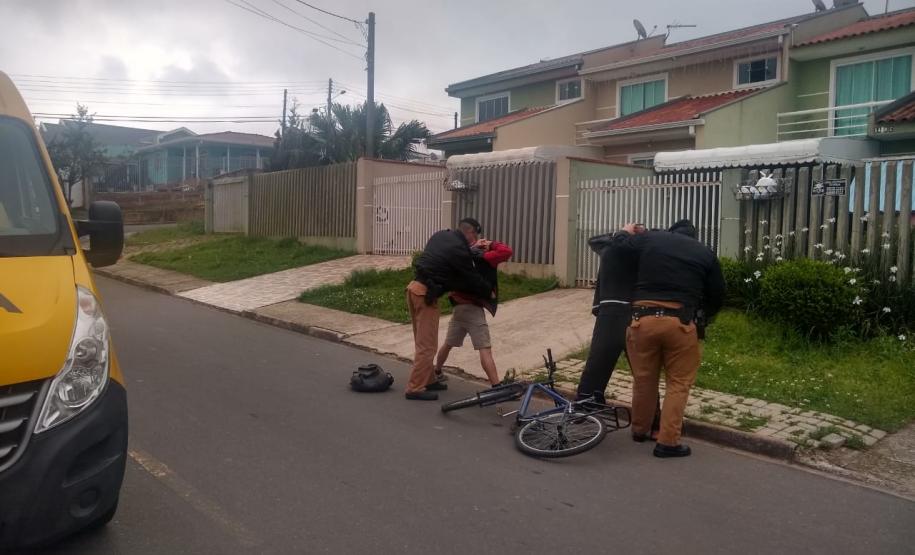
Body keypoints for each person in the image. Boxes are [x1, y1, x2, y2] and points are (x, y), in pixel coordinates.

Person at [614, 219, 725, 458]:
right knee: (678, 383)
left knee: (644, 379)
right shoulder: (704, 252)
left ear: (671, 231)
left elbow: (618, 248)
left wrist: (625, 232)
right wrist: (703, 315)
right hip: (680, 323)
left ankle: (639, 430)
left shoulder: (650, 238)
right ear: (693, 237)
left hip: (642, 320)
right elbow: (718, 294)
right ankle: (667, 442)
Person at [405, 218, 493, 401]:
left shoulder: (442, 235)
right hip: (425, 295)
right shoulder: (459, 249)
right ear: (470, 232)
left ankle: (429, 380)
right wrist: (488, 291)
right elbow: (470, 276)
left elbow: (446, 258)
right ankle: (415, 388)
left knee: (423, 341)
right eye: (475, 235)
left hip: (413, 289)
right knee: (427, 346)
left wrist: (472, 250)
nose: (476, 239)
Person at [575, 225, 643, 405]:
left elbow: (596, 241)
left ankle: (585, 403)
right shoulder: (614, 247)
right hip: (623, 312)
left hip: (617, 313)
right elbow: (593, 240)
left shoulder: (630, 249)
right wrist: (622, 234)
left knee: (600, 363)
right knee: (642, 371)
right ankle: (587, 402)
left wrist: (623, 233)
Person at [433, 236, 513, 387]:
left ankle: (436, 371)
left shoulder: (462, 258)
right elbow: (506, 251)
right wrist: (491, 244)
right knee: (485, 348)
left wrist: (474, 245)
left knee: (448, 343)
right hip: (473, 309)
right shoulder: (486, 258)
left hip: (458, 307)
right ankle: (496, 386)